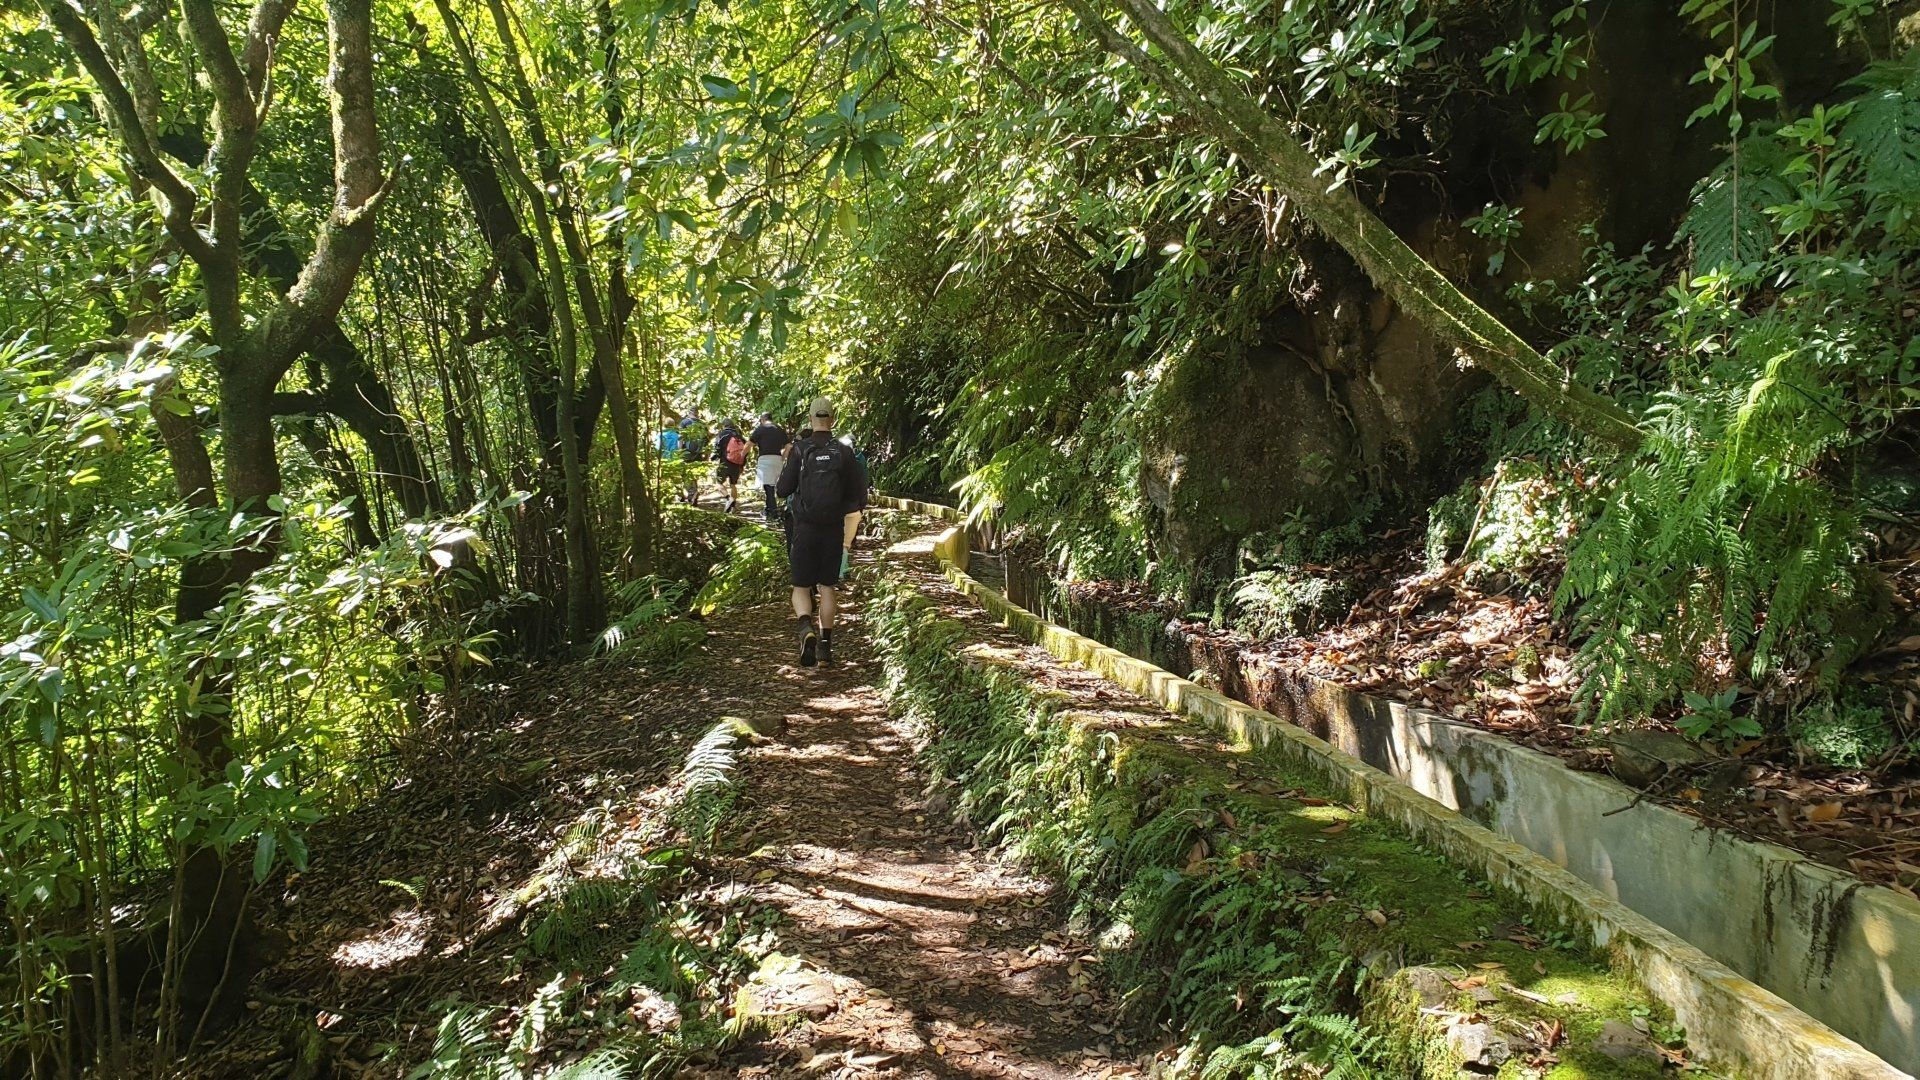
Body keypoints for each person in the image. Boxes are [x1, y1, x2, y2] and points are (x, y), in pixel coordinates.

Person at [776, 397, 868, 667]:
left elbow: (782, 490)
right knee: (827, 586)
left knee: (801, 586)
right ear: (833, 420)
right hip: (832, 529)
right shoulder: (844, 452)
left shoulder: (800, 450)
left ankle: (805, 628)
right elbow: (857, 495)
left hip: (803, 528)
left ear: (810, 419)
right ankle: (826, 647)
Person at [749, 412, 791, 523]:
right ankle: (773, 509)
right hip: (777, 459)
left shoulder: (760, 429)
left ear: (762, 420)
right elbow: (789, 446)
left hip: (765, 460)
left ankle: (773, 511)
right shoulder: (779, 429)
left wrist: (741, 455)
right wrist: (783, 458)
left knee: (768, 487)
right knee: (776, 486)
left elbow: (749, 444)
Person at [711, 418, 748, 514]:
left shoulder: (722, 434)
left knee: (719, 483)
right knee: (733, 484)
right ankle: (733, 506)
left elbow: (717, 448)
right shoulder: (739, 435)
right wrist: (743, 463)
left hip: (725, 462)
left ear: (724, 425)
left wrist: (714, 457)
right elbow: (745, 450)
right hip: (736, 463)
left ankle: (728, 499)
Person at [678, 415, 708, 505]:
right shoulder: (703, 424)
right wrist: (706, 455)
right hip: (698, 453)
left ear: (689, 412)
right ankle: (694, 494)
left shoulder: (684, 422)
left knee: (685, 473)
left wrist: (679, 451)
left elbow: (680, 438)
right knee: (695, 473)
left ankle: (692, 493)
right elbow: (706, 440)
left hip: (687, 452)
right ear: (697, 413)